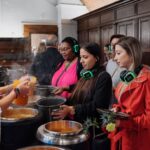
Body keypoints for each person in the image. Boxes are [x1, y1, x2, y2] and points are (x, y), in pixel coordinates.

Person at [52, 42, 112, 122]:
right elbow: (84, 87)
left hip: (91, 125)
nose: (81, 61)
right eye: (80, 57)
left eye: (85, 57)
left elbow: (98, 105)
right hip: (78, 120)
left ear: (96, 58)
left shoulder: (104, 77)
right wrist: (66, 88)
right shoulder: (87, 72)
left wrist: (72, 109)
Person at [110, 36, 150, 150]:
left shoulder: (147, 79)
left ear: (131, 54)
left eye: (118, 53)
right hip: (123, 135)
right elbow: (124, 104)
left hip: (138, 140)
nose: (114, 58)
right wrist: (116, 109)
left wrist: (123, 123)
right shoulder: (127, 75)